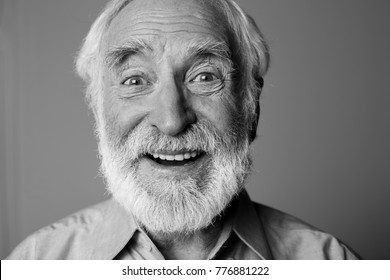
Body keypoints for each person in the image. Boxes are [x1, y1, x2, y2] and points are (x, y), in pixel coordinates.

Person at [7, 0, 360, 260]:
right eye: (135, 80)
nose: (172, 121)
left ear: (250, 108)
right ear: (99, 111)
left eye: (204, 77)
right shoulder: (37, 260)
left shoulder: (329, 261)